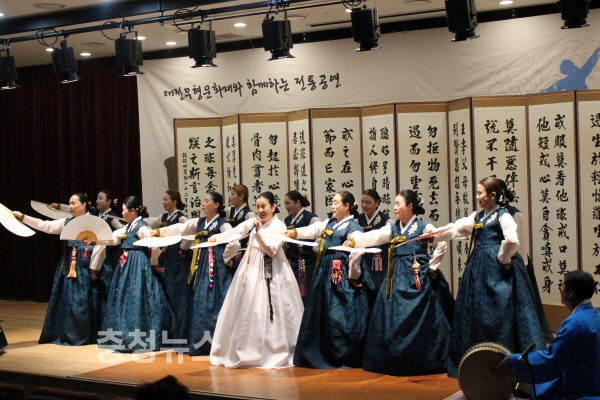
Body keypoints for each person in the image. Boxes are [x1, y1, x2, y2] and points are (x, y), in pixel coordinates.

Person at [434, 176, 546, 377]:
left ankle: (509, 362)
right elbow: (456, 228)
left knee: (501, 311)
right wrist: (432, 235)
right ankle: (475, 362)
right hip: (478, 270)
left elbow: (512, 240)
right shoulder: (478, 216)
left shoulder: (504, 215)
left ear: (493, 195)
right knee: (476, 312)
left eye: (480, 193)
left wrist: (503, 258)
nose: (477, 197)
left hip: (499, 271)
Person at [346, 189, 454, 376]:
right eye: (394, 204)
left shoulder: (423, 227)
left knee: (423, 314)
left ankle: (425, 358)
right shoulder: (393, 227)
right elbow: (374, 236)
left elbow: (441, 243)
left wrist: (432, 267)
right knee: (391, 314)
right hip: (396, 276)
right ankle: (394, 358)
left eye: (398, 204)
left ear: (410, 206)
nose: (395, 208)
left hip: (417, 276)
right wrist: (354, 241)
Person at [209, 191, 303, 368]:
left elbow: (271, 250)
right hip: (250, 267)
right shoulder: (253, 222)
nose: (260, 210)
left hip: (273, 270)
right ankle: (246, 348)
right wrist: (217, 238)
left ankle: (275, 349)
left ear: (273, 207)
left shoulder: (279, 226)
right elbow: (235, 233)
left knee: (273, 308)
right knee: (247, 307)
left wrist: (258, 231)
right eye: (258, 207)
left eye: (264, 206)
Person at [286, 191, 375, 369]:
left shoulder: (353, 227)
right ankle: (321, 351)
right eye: (332, 202)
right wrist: (293, 233)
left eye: (336, 203)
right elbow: (312, 230)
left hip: (341, 273)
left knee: (339, 313)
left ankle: (342, 353)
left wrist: (353, 275)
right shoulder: (330, 223)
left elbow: (357, 252)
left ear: (347, 206)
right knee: (323, 310)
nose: (332, 206)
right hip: (325, 271)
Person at [151, 192, 239, 354]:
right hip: (201, 264)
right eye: (203, 201)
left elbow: (234, 242)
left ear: (217, 205)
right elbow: (180, 228)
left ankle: (219, 342)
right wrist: (159, 232)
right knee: (199, 299)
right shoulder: (199, 222)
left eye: (207, 201)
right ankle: (199, 340)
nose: (203, 204)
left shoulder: (223, 224)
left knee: (215, 300)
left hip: (216, 267)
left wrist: (225, 258)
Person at [13, 193, 106, 345]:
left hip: (88, 268)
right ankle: (69, 334)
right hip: (70, 266)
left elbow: (101, 246)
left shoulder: (95, 222)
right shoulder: (67, 222)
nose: (70, 206)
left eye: (73, 203)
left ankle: (87, 334)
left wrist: (94, 268)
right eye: (69, 203)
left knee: (85, 301)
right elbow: (46, 226)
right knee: (69, 301)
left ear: (83, 205)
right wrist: (23, 217)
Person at [499, 270, 600, 400]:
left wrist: (514, 360)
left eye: (562, 285)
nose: (560, 289)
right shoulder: (595, 316)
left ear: (570, 293)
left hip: (584, 388)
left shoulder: (576, 324)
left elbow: (551, 361)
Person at [101, 196, 174, 352]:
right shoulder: (128, 227)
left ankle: (140, 336)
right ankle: (123, 335)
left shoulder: (142, 227)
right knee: (126, 296)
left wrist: (154, 263)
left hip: (138, 264)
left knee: (139, 296)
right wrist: (95, 238)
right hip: (127, 264)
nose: (122, 213)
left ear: (133, 211)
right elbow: (113, 238)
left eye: (124, 210)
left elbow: (154, 245)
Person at [145, 190, 191, 328]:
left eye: (166, 199)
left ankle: (180, 324)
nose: (163, 202)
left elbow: (189, 233)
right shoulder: (163, 217)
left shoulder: (181, 218)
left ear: (174, 201)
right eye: (163, 199)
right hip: (165, 255)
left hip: (177, 256)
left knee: (177, 288)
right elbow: (150, 221)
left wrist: (183, 249)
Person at [92, 190, 123, 335]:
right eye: (97, 198)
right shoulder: (95, 215)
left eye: (101, 198)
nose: (97, 200)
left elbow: (124, 232)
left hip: (109, 258)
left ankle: (111, 325)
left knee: (108, 288)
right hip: (95, 255)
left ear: (109, 201)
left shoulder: (112, 218)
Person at [283, 190, 320, 302]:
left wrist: (314, 250)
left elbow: (320, 238)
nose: (286, 207)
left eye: (288, 203)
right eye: (285, 204)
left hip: (307, 263)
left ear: (298, 203)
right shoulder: (286, 220)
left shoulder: (311, 218)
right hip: (291, 263)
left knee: (307, 294)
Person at [357, 189, 392, 292]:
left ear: (377, 203)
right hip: (362, 260)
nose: (364, 205)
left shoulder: (386, 221)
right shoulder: (357, 219)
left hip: (380, 261)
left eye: (368, 202)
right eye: (362, 202)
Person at [225, 185, 256, 269]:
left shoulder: (249, 214)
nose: (230, 197)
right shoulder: (229, 211)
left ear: (241, 197)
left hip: (242, 250)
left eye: (232, 194)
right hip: (230, 248)